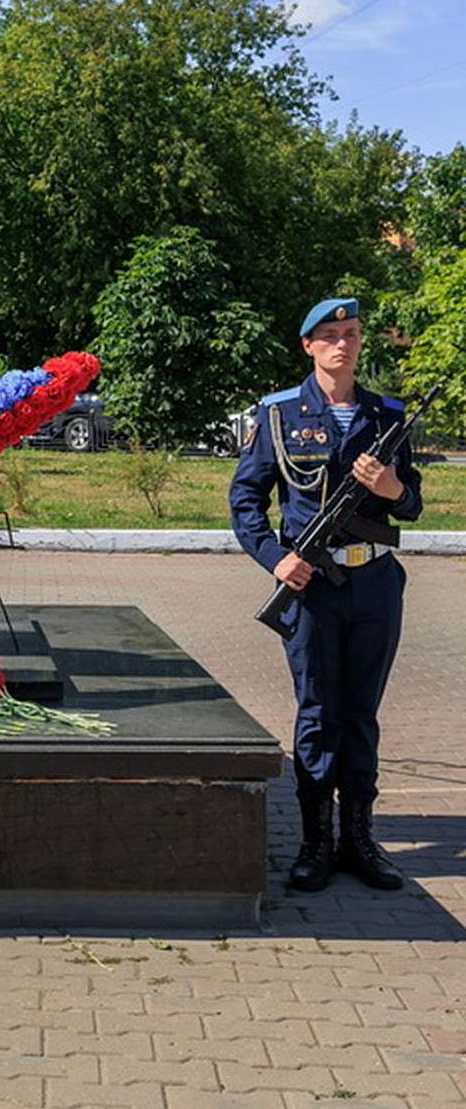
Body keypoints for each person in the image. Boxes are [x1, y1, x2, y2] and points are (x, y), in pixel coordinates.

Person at [229, 298, 422, 894]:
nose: (343, 344)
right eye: (330, 335)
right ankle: (315, 839)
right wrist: (277, 558)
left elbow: (411, 503)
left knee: (360, 715)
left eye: (352, 334)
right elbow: (246, 501)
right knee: (318, 715)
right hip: (311, 586)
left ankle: (358, 840)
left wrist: (391, 487)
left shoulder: (387, 414)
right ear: (309, 346)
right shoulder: (281, 414)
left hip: (375, 583)